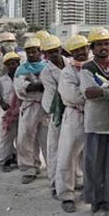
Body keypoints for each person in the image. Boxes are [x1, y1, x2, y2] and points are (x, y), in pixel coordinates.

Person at [80, 28, 109, 216]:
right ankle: (95, 202)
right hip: (95, 122)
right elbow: (89, 93)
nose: (104, 47)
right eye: (99, 44)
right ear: (92, 48)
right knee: (93, 164)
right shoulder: (87, 67)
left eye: (106, 44)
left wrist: (103, 91)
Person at [56, 35, 90, 213]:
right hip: (75, 115)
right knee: (67, 155)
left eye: (83, 48)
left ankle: (88, 190)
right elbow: (72, 96)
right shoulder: (67, 72)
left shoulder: (94, 67)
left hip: (93, 116)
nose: (81, 52)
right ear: (71, 53)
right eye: (76, 50)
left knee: (90, 156)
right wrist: (93, 95)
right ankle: (66, 194)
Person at [15, 37, 49, 183]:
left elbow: (51, 85)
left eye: (33, 52)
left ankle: (52, 169)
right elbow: (21, 88)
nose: (31, 55)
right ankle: (29, 168)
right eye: (28, 52)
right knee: (26, 138)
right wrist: (37, 85)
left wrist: (34, 85)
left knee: (48, 139)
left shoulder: (48, 67)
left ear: (40, 52)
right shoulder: (21, 69)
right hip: (29, 106)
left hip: (46, 106)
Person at [39, 35, 69, 197]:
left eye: (55, 51)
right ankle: (54, 182)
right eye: (49, 52)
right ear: (45, 54)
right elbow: (52, 94)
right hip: (56, 110)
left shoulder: (70, 63)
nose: (53, 55)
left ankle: (73, 180)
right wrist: (56, 113)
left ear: (60, 49)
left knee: (72, 149)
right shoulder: (46, 72)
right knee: (55, 148)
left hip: (72, 110)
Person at [0, 52, 22, 172]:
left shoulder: (22, 78)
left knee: (21, 137)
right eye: (10, 64)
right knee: (5, 137)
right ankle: (4, 160)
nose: (12, 66)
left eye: (14, 63)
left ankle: (19, 160)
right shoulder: (1, 80)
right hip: (7, 112)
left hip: (21, 112)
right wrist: (2, 103)